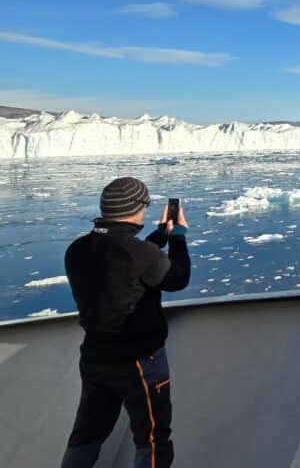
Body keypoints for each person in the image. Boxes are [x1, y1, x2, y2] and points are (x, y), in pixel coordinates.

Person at [61, 177, 191, 468]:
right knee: (153, 441)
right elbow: (178, 279)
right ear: (137, 207)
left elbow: (122, 259)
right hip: (139, 363)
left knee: (86, 436)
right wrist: (178, 236)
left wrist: (158, 237)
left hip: (95, 358)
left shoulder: (77, 250)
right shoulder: (141, 255)